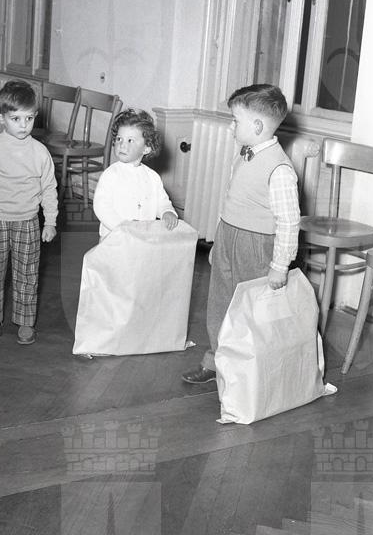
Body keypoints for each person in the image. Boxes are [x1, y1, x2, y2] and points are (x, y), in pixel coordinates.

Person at [182, 83, 300, 384]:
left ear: (257, 126)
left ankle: (253, 371)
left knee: (254, 310)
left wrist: (280, 265)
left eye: (236, 121)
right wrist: (218, 243)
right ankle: (217, 361)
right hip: (228, 235)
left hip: (257, 246)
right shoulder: (244, 154)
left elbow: (289, 222)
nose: (231, 126)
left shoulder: (280, 169)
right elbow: (232, 200)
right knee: (220, 302)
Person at [0, 80, 58, 345]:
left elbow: (49, 188)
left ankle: (25, 322)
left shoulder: (40, 153)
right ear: (1, 118)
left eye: (29, 118)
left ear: (35, 116)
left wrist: (50, 221)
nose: (23, 125)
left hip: (28, 223)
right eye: (15, 118)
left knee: (27, 274)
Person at [93, 108, 178, 239]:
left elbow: (162, 202)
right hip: (114, 237)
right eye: (119, 139)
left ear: (146, 148)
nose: (122, 145)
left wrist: (167, 212)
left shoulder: (152, 177)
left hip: (142, 237)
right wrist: (122, 227)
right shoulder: (111, 174)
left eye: (130, 140)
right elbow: (101, 206)